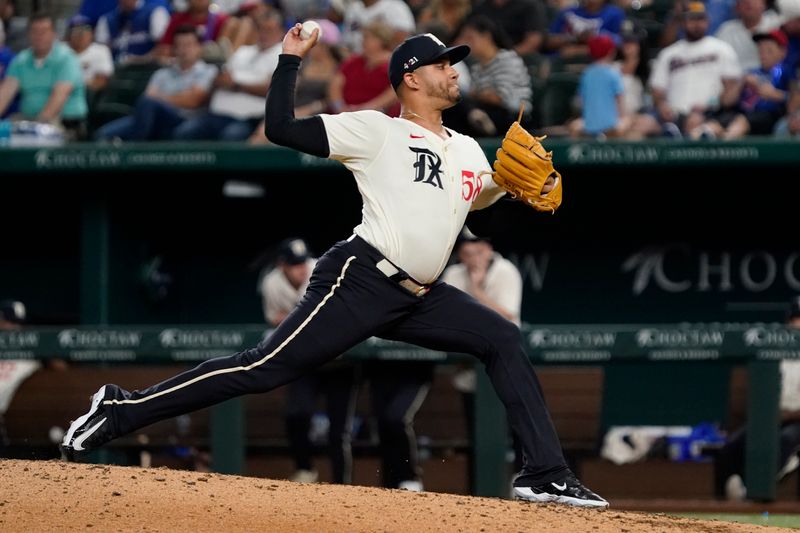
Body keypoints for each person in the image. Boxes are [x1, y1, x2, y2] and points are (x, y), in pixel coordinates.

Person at [61, 27, 608, 509]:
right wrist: (290, 59)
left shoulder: (466, 148)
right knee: (264, 367)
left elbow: (479, 199)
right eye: (444, 63)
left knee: (501, 338)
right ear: (412, 78)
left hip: (421, 294)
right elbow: (280, 128)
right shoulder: (377, 131)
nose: (454, 70)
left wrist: (515, 187)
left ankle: (546, 473)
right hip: (360, 277)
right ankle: (121, 407)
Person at [258, 238, 359, 484]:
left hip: (340, 361)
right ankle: (305, 469)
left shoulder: (324, 269)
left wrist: (294, 318)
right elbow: (275, 319)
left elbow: (326, 317)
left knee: (339, 432)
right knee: (296, 414)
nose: (301, 268)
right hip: (308, 361)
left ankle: (342, 484)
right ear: (282, 265)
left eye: (302, 262)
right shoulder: (271, 283)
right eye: (294, 264)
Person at [440, 227, 524, 484]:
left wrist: (476, 292)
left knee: (517, 429)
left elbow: (506, 316)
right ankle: (479, 494)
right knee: (477, 433)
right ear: (460, 255)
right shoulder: (453, 273)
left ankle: (523, 484)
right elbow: (445, 315)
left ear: (489, 250)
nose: (473, 258)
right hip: (470, 366)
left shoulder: (505, 270)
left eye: (478, 251)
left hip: (506, 363)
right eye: (467, 252)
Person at [714, 296, 800, 500]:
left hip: (796, 423)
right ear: (789, 322)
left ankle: (752, 495)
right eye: (796, 319)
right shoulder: (776, 352)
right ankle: (718, 507)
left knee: (785, 439)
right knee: (728, 450)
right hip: (772, 419)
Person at [172, 9, 283, 141]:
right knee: (184, 132)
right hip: (216, 114)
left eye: (269, 30)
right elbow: (222, 78)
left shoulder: (283, 53)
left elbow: (275, 89)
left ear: (281, 32)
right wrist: (218, 79)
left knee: (231, 136)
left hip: (249, 119)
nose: (264, 34)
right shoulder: (243, 51)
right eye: (260, 29)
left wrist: (236, 85)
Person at [94, 24, 217, 141]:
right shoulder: (162, 73)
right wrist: (179, 97)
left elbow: (193, 101)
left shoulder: (208, 71)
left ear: (199, 47)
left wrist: (160, 99)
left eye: (189, 45)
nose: (184, 50)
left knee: (149, 106)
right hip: (153, 118)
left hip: (186, 118)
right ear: (174, 49)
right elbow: (147, 98)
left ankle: (135, 150)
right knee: (103, 134)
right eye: (179, 45)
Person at [0, 11, 88, 140]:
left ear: (54, 34)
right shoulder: (20, 61)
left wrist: (34, 129)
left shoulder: (67, 59)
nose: (39, 36)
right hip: (27, 119)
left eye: (44, 31)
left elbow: (58, 98)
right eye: (35, 31)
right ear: (28, 34)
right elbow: (4, 94)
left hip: (64, 122)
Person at [65, 15, 115, 95]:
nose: (80, 34)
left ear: (92, 32)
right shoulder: (62, 51)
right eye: (76, 30)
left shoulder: (100, 50)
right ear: (69, 34)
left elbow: (101, 81)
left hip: (88, 95)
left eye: (85, 29)